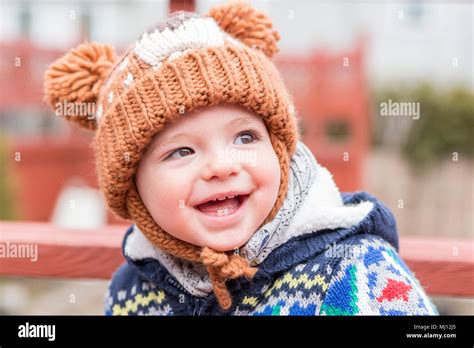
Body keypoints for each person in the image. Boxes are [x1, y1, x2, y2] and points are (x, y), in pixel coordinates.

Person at [43, 1, 438, 316]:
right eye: (182, 151)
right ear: (134, 192)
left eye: (245, 136)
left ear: (279, 150)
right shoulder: (134, 292)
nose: (221, 166)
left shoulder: (353, 271)